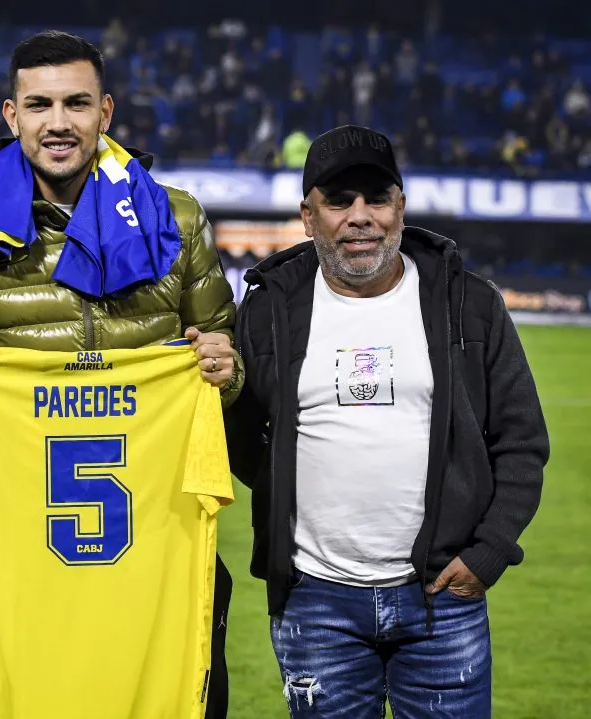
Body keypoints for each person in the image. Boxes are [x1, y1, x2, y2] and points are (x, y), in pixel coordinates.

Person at [0, 30, 242, 717]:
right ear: (12, 115)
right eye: (39, 104)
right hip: (32, 558)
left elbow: (227, 372)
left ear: (107, 112)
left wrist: (223, 367)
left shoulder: (174, 222)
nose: (58, 122)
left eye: (76, 103)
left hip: (162, 553)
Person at [226, 124, 550, 718]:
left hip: (442, 600)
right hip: (315, 603)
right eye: (338, 201)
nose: (360, 217)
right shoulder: (268, 310)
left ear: (400, 207)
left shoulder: (469, 303)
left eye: (376, 199)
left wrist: (490, 551)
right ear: (307, 215)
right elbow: (244, 442)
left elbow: (522, 441)